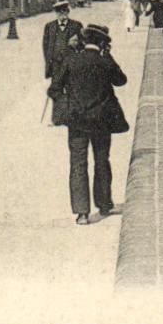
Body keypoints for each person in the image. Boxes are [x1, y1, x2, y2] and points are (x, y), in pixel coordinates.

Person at [48, 23, 128, 225]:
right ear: (101, 43)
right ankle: (104, 204)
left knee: (78, 164)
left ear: (84, 41)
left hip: (77, 121)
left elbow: (54, 89)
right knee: (102, 160)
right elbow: (121, 80)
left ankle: (82, 213)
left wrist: (70, 103)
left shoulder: (71, 60)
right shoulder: (104, 62)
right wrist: (108, 56)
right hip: (101, 120)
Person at [42, 0, 84, 79]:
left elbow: (82, 44)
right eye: (59, 12)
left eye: (64, 11)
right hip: (55, 65)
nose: (62, 14)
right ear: (56, 13)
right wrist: (48, 62)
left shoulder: (76, 25)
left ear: (68, 12)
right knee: (56, 88)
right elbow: (45, 46)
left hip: (71, 64)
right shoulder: (49, 26)